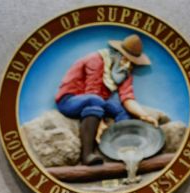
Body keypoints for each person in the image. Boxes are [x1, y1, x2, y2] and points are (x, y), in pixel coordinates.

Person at [55, 33, 158, 165]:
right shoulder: (96, 60)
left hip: (98, 101)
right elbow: (92, 92)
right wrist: (100, 122)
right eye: (126, 60)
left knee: (121, 111)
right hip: (70, 100)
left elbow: (127, 98)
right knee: (95, 102)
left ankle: (123, 149)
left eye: (131, 63)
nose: (127, 65)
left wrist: (144, 115)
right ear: (118, 54)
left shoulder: (124, 72)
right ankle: (87, 155)